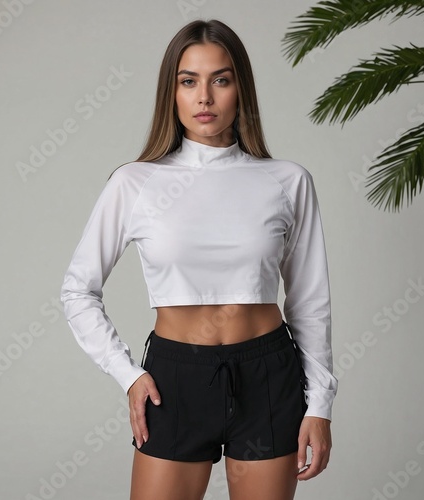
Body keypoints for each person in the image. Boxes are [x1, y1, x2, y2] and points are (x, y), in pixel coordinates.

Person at [60, 19, 338, 500]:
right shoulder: (134, 183)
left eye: (220, 80)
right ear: (172, 91)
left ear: (240, 90)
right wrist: (129, 376)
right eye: (189, 81)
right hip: (175, 380)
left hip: (268, 374)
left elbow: (309, 303)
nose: (204, 97)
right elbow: (77, 291)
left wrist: (321, 404)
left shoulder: (288, 181)